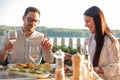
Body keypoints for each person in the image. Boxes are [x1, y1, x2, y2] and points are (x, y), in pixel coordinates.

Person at [83, 6, 120, 80]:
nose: (85, 25)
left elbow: (117, 68)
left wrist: (96, 69)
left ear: (97, 20)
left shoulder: (110, 41)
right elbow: (85, 63)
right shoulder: (88, 40)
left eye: (88, 21)